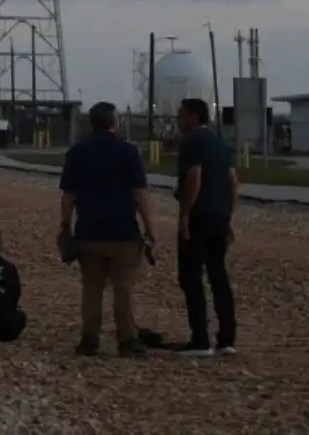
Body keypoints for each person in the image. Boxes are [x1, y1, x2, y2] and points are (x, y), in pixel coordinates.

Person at [58, 101, 158, 357]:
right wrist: (150, 227)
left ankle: (89, 338)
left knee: (91, 288)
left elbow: (69, 195)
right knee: (123, 289)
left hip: (89, 231)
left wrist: (65, 226)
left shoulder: (77, 153)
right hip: (123, 233)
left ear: (91, 123)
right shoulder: (127, 152)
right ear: (115, 122)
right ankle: (127, 338)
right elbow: (140, 194)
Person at [173, 97, 239, 356]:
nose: (178, 120)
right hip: (219, 216)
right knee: (218, 276)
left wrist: (185, 215)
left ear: (193, 116)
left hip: (198, 216)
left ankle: (200, 339)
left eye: (181, 114)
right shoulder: (221, 144)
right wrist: (228, 216)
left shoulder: (192, 143)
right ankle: (227, 339)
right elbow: (232, 182)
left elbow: (194, 177)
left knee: (191, 277)